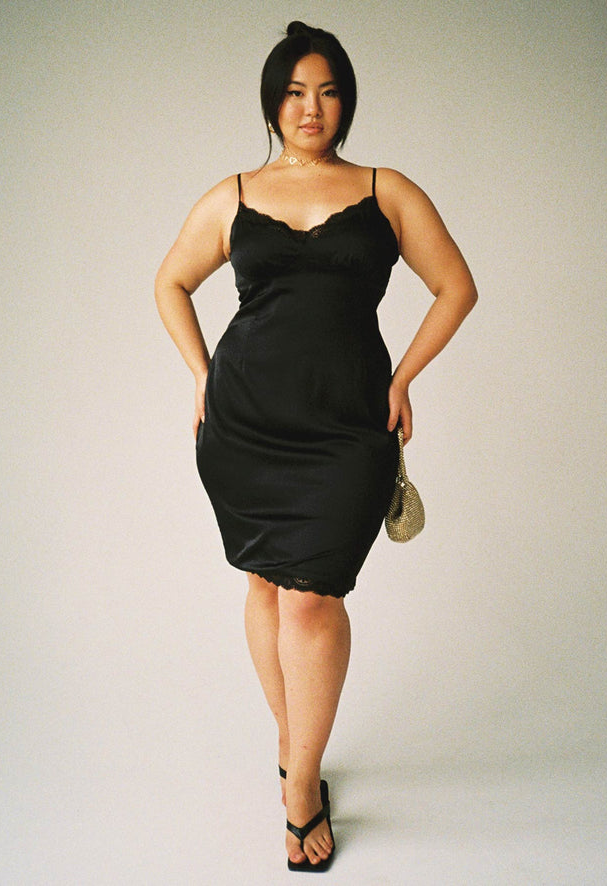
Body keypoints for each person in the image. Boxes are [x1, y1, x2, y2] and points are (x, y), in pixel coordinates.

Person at [155, 21, 477, 872]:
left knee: (313, 600)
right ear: (273, 103)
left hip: (346, 426)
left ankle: (301, 783)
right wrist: (202, 374)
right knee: (266, 584)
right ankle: (296, 751)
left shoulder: (384, 189)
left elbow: (455, 286)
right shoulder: (234, 195)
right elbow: (171, 281)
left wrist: (402, 379)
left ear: (347, 103)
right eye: (296, 92)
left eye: (329, 91)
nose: (312, 107)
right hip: (246, 423)